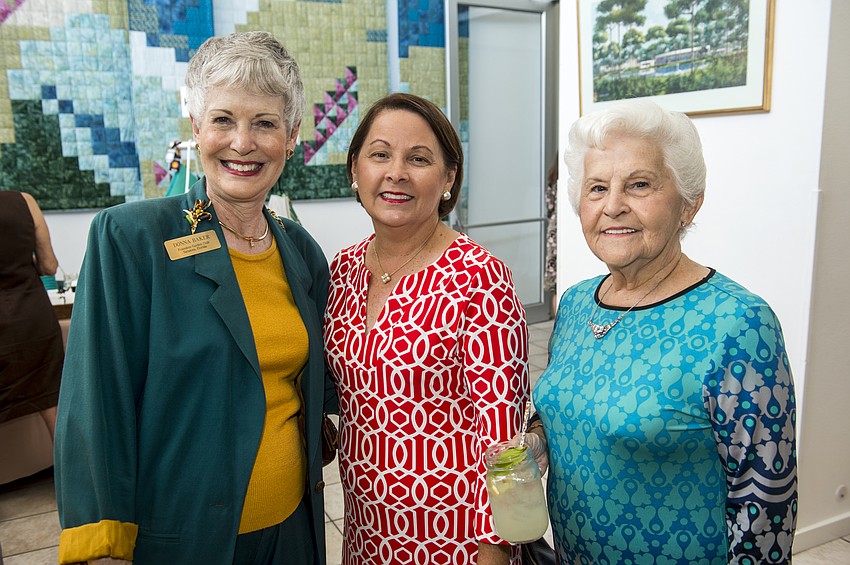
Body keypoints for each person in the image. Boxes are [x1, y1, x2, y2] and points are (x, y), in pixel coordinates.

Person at [54, 31, 336, 565]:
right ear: (197, 128)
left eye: (265, 123)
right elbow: (95, 404)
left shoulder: (301, 251)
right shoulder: (131, 239)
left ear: (292, 136)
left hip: (292, 535)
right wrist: (102, 541)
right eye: (223, 120)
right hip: (183, 542)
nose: (242, 143)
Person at [523, 99, 798, 564]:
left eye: (639, 184)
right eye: (597, 188)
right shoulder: (575, 304)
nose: (613, 206)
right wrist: (536, 440)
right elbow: (569, 407)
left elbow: (766, 505)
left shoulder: (739, 323)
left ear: (689, 204)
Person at [323, 92, 529, 565]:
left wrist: (495, 551)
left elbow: (505, 442)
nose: (396, 172)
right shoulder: (343, 269)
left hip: (458, 542)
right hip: (367, 534)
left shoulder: (480, 278)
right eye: (380, 155)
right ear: (355, 169)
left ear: (448, 177)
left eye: (418, 159)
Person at [0, 191, 63, 439]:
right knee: (51, 400)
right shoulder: (25, 201)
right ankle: (69, 465)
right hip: (33, 318)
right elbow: (49, 265)